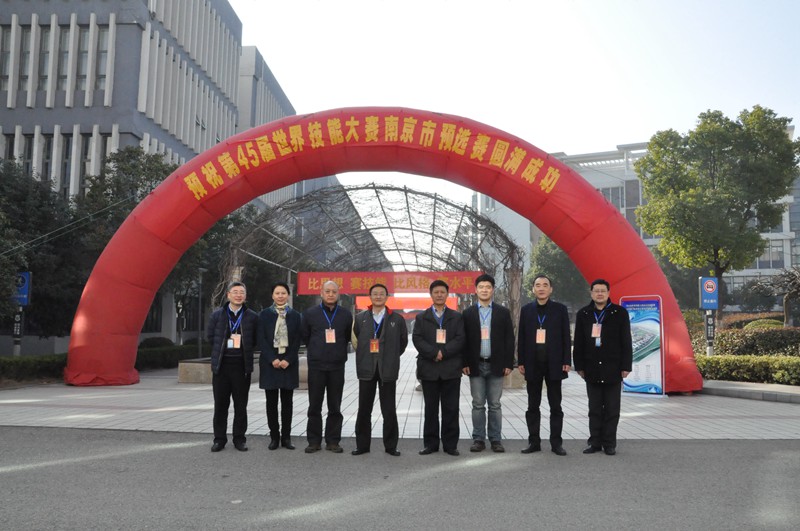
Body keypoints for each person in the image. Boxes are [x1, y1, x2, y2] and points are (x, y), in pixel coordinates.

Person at [573, 279, 633, 456]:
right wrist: (579, 366)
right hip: (591, 368)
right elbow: (579, 341)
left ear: (608, 293)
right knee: (594, 409)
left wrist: (626, 365)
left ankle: (609, 443)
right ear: (591, 293)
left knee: (612, 409)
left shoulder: (619, 313)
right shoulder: (584, 313)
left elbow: (626, 340)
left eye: (603, 291)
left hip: (613, 368)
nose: (599, 294)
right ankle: (595, 442)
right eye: (596, 291)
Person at [351, 283, 409, 456]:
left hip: (388, 369)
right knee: (364, 409)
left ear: (387, 297)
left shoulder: (397, 319)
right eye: (375, 293)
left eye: (381, 294)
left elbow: (402, 343)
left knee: (389, 409)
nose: (378, 296)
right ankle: (362, 445)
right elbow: (355, 341)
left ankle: (391, 446)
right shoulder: (360, 318)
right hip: (366, 368)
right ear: (370, 297)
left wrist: (390, 357)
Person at [517, 274, 571, 456]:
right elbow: (522, 337)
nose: (541, 288)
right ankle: (534, 442)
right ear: (533, 289)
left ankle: (556, 443)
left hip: (554, 364)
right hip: (532, 364)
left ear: (551, 289)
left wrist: (567, 360)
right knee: (533, 406)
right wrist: (521, 361)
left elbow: (566, 336)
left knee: (556, 406)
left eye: (545, 285)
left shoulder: (560, 309)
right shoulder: (526, 310)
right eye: (538, 285)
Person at [461, 273, 515, 453]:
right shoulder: (468, 313)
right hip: (475, 364)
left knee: (495, 404)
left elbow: (509, 339)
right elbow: (463, 340)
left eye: (488, 287)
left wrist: (508, 363)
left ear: (493, 290)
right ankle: (478, 439)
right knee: (477, 404)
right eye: (481, 287)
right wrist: (464, 362)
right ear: (476, 290)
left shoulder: (502, 312)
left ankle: (495, 440)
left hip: (496, 364)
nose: (484, 290)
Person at [412, 279, 465, 456]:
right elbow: (417, 339)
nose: (439, 295)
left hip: (451, 369)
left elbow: (460, 338)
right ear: (431, 294)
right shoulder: (421, 317)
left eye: (442, 292)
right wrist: (434, 352)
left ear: (447, 294)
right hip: (429, 368)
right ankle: (431, 444)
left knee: (451, 409)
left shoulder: (456, 317)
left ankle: (450, 445)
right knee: (430, 409)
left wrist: (444, 352)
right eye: (436, 292)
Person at [301, 280, 353, 454]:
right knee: (314, 405)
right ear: (321, 293)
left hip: (337, 366)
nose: (331, 294)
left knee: (335, 406)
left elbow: (347, 336)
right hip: (316, 365)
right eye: (327, 291)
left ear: (338, 294)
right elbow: (305, 336)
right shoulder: (310, 313)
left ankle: (333, 441)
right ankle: (314, 441)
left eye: (334, 291)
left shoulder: (345, 315)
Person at [208, 282, 259, 452]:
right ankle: (219, 439)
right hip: (221, 367)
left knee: (240, 405)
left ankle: (239, 439)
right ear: (228, 295)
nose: (238, 295)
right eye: (235, 292)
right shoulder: (217, 315)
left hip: (241, 367)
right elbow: (210, 337)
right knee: (220, 405)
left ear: (245, 296)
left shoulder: (252, 316)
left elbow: (255, 340)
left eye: (241, 292)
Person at [258, 282, 302, 451]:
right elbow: (261, 339)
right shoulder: (264, 315)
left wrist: (288, 360)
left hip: (288, 363)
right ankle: (274, 437)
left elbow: (297, 340)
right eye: (277, 293)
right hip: (270, 363)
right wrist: (272, 359)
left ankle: (286, 438)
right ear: (272, 295)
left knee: (287, 403)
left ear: (288, 295)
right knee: (271, 403)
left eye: (283, 293)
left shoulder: (295, 316)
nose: (280, 296)